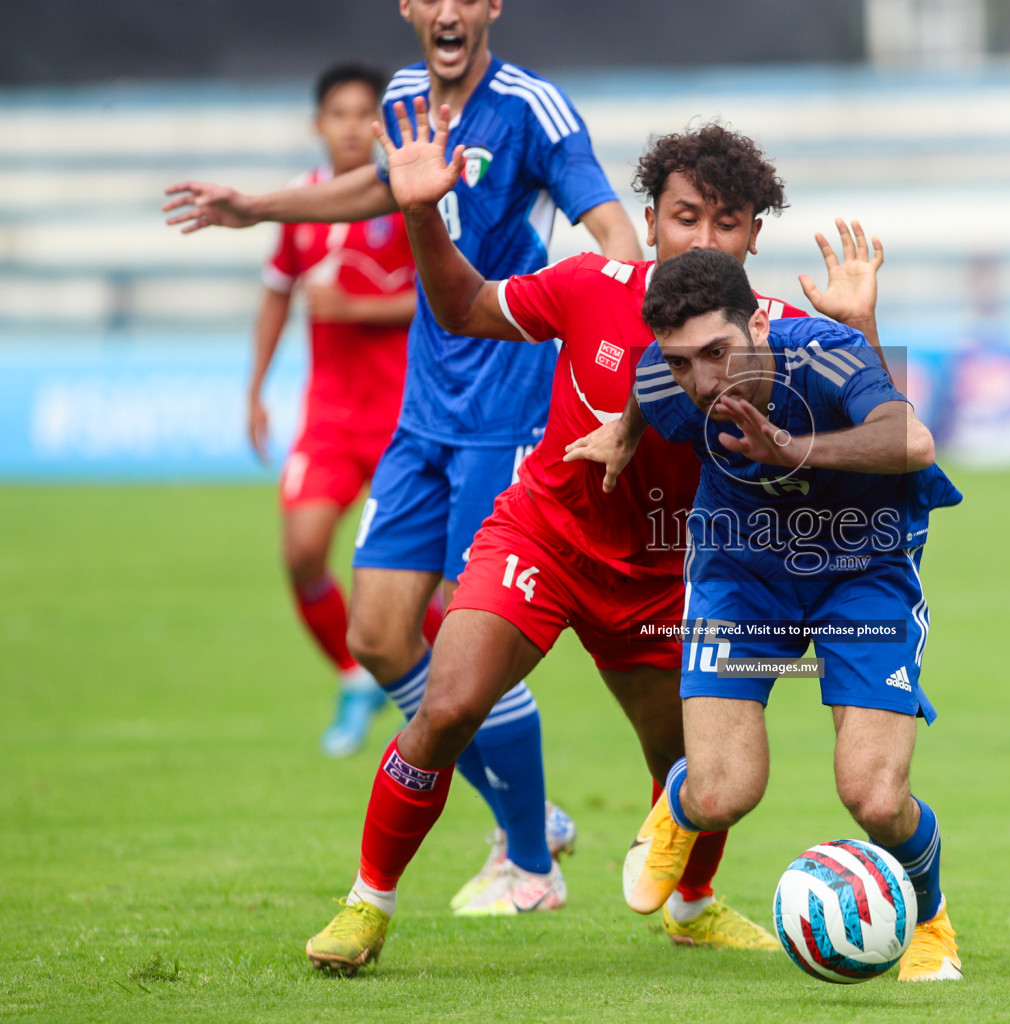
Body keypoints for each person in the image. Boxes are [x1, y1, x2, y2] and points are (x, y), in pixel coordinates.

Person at [300, 104, 888, 972]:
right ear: (649, 219)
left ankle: (691, 904)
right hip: (545, 540)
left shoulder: (772, 329)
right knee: (450, 705)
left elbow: (874, 423)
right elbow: (461, 306)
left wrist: (861, 330)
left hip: (670, 573)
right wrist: (421, 210)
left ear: (754, 237)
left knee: (693, 767)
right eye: (685, 216)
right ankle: (366, 904)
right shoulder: (588, 286)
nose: (702, 239)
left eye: (727, 223)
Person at [163, 0, 638, 915]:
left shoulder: (536, 109)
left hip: (506, 411)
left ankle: (528, 862)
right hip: (423, 413)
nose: (450, 10)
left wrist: (609, 367)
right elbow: (384, 189)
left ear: (490, 7)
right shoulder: (407, 95)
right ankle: (525, 804)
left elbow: (615, 238)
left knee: (469, 631)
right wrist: (257, 206)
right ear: (412, 10)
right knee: (379, 635)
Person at [573, 248, 964, 982]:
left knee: (875, 799)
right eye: (682, 361)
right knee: (726, 793)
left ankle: (931, 920)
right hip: (740, 574)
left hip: (860, 574)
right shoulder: (666, 378)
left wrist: (793, 447)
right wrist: (625, 433)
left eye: (717, 353)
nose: (703, 381)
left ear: (759, 320)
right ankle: (683, 805)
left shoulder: (827, 352)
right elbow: (644, 385)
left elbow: (913, 440)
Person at [248, 63, 420, 758]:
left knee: (423, 583)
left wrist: (359, 308)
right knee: (302, 550)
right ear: (318, 124)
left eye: (363, 114)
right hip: (329, 418)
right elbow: (275, 293)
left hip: (407, 418)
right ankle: (355, 677)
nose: (350, 126)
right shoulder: (300, 206)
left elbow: (447, 300)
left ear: (380, 126)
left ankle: (430, 701)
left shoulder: (409, 196)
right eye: (338, 113)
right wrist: (255, 387)